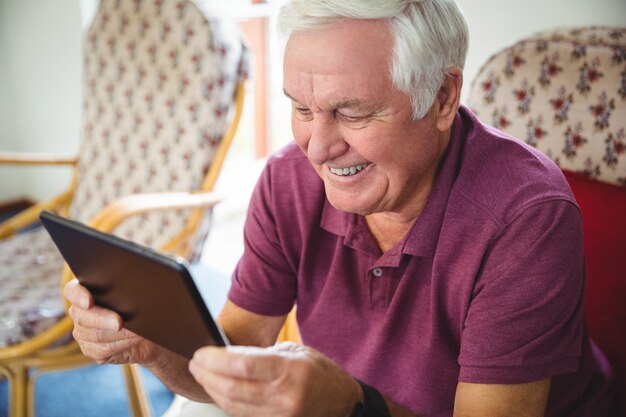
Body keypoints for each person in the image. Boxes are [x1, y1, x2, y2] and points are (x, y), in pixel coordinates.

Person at [63, 0, 617, 416]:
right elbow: (231, 356)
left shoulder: (527, 217)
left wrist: (352, 405)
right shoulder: (287, 179)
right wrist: (155, 346)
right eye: (301, 108)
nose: (317, 148)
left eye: (352, 113)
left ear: (443, 98)